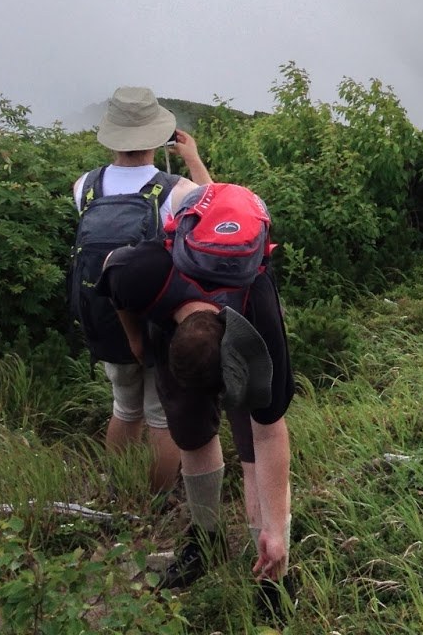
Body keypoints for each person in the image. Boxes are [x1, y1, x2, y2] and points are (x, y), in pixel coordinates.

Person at [95, 187, 294, 598]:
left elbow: (271, 432)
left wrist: (276, 533)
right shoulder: (144, 274)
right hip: (169, 329)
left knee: (252, 441)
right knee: (188, 428)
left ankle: (273, 573)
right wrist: (136, 341)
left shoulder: (257, 306)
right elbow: (110, 269)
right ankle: (207, 541)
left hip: (234, 314)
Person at [71, 86, 211, 496]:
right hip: (157, 321)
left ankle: (119, 489)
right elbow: (216, 214)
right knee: (160, 417)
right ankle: (155, 501)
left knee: (124, 406)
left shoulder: (86, 186)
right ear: (156, 137)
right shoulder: (176, 189)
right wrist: (194, 160)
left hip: (105, 317)